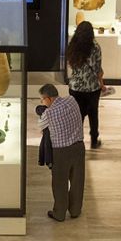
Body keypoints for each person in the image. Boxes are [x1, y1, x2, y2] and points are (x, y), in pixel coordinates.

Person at [37, 83, 85, 223]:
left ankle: (59, 213)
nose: (43, 102)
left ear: (49, 99)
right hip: (78, 147)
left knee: (59, 183)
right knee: (77, 180)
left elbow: (40, 126)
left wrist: (43, 111)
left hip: (61, 151)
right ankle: (75, 210)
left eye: (42, 100)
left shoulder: (49, 113)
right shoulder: (72, 100)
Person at [65, 21, 104, 149]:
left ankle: (76, 141)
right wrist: (102, 82)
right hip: (92, 87)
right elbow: (97, 69)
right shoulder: (95, 47)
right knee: (93, 114)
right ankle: (94, 140)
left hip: (75, 87)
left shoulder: (72, 45)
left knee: (77, 115)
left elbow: (70, 64)